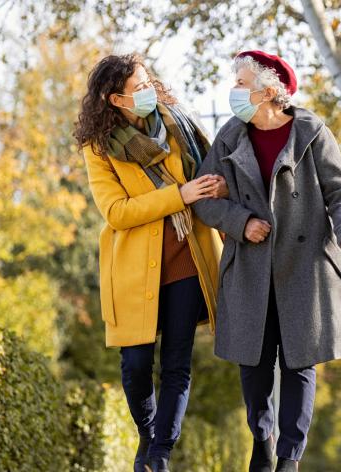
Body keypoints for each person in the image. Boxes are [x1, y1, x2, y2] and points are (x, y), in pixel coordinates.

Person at [191, 50, 341, 472]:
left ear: (270, 92)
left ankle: (289, 456)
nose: (234, 91)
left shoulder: (311, 131)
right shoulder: (230, 136)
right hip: (250, 266)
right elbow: (202, 199)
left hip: (303, 265)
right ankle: (262, 438)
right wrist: (240, 221)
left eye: (241, 84)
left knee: (299, 364)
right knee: (253, 365)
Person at [75, 53, 227, 472]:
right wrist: (179, 196)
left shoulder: (178, 125)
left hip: (188, 256)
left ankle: (160, 454)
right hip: (134, 267)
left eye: (147, 82)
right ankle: (148, 433)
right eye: (136, 88)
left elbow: (210, 175)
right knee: (137, 364)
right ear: (113, 100)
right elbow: (117, 212)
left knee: (177, 362)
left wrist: (215, 187)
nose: (147, 91)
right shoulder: (99, 148)